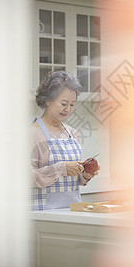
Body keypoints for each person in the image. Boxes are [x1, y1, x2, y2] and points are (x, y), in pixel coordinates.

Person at [30, 71, 100, 210]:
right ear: (48, 100)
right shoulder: (31, 133)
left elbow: (70, 179)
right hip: (43, 215)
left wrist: (84, 175)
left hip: (71, 211)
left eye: (72, 104)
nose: (67, 109)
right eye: (63, 103)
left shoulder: (72, 133)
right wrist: (61, 169)